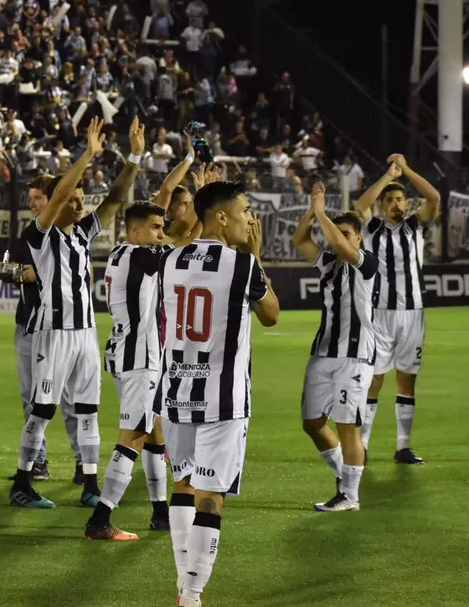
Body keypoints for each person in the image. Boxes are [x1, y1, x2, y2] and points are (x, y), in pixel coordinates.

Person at [157, 180, 279, 606]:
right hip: (223, 399)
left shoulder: (170, 261)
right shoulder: (242, 265)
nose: (251, 219)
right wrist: (255, 258)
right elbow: (271, 315)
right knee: (211, 499)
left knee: (184, 486)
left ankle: (182, 581)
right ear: (222, 217)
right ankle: (191, 596)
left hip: (175, 393)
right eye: (245, 211)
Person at [9, 117, 139, 509]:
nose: (80, 201)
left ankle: (88, 484)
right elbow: (62, 189)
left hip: (84, 333)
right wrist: (86, 155)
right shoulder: (40, 234)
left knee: (88, 412)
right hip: (53, 331)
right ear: (54, 203)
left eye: (82, 197)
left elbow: (116, 197)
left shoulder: (82, 234)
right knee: (44, 409)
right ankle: (22, 483)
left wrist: (133, 156)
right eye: (73, 197)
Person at [84, 125, 199, 541]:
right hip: (139, 357)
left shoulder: (126, 252)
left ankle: (158, 511)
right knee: (133, 435)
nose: (160, 232)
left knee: (154, 432)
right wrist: (203, 204)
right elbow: (185, 238)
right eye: (154, 228)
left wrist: (187, 161)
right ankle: (100, 519)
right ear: (135, 232)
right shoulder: (142, 255)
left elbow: (163, 201)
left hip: (132, 352)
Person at [293, 182, 378, 512]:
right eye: (337, 232)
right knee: (312, 423)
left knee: (347, 426)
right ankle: (345, 476)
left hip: (354, 358)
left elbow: (341, 247)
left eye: (346, 233)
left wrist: (322, 214)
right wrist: (311, 213)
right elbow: (301, 240)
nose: (339, 237)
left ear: (358, 237)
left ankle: (350, 496)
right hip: (323, 354)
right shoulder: (328, 264)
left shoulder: (365, 263)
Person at [353, 154, 441, 464]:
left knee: (407, 379)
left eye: (400, 199)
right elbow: (360, 206)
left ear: (406, 203)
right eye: (389, 199)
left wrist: (406, 171)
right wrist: (386, 176)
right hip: (380, 314)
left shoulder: (415, 226)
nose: (395, 203)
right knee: (374, 379)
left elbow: (434, 197)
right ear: (383, 203)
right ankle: (361, 445)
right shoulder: (372, 228)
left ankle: (403, 446)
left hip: (413, 314)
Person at [1, 174, 82, 483]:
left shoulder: (62, 236)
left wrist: (27, 274)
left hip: (61, 326)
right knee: (30, 396)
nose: (32, 203)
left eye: (38, 198)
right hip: (27, 323)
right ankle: (38, 462)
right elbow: (7, 271)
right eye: (31, 197)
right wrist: (21, 274)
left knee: (71, 398)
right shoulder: (25, 234)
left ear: (53, 200)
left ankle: (81, 461)